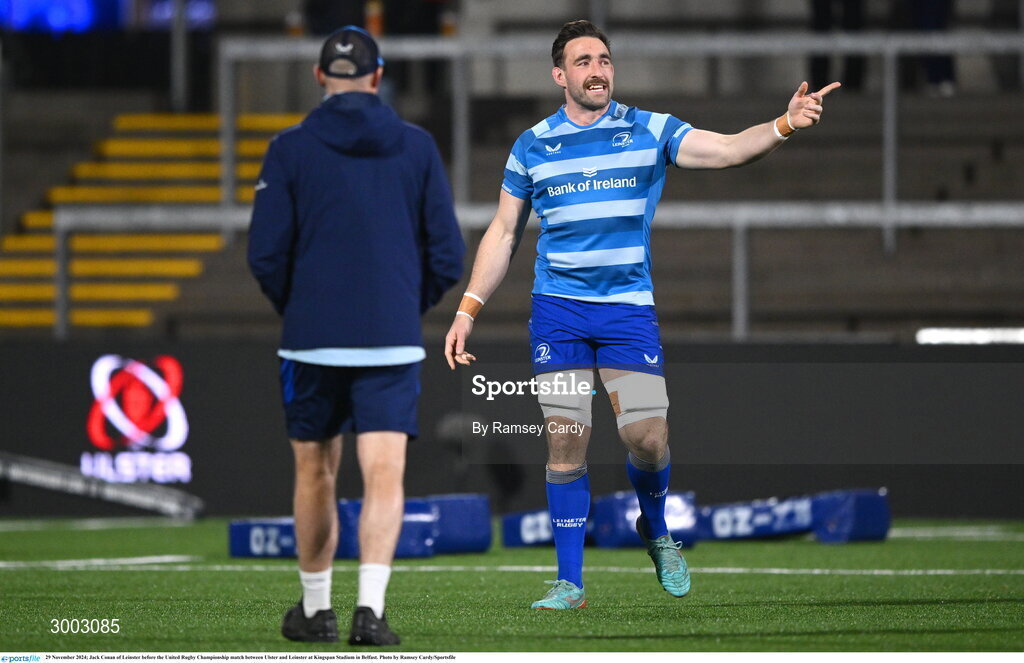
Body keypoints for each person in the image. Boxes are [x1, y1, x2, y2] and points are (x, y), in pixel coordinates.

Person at [443, 19, 839, 610]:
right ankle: (570, 583)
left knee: (647, 441)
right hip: (559, 313)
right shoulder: (531, 145)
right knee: (566, 440)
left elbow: (728, 149)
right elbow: (503, 233)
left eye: (604, 59)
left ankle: (654, 528)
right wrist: (468, 309)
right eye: (583, 61)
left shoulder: (649, 129)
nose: (597, 69)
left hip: (627, 311)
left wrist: (785, 123)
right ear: (560, 75)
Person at [248, 25, 464, 644]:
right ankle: (370, 611)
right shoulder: (417, 147)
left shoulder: (287, 150)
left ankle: (316, 611)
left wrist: (303, 308)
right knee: (384, 473)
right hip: (389, 340)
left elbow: (265, 255)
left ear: (320, 78)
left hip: (311, 340)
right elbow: (447, 255)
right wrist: (400, 304)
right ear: (377, 77)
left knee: (314, 472)